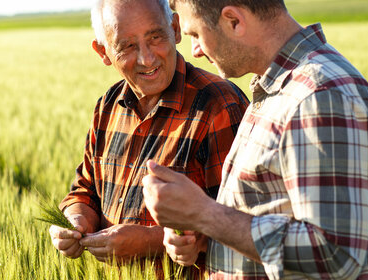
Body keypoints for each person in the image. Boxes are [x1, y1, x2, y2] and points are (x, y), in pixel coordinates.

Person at [142, 0, 368, 279]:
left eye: (195, 35)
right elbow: (272, 213)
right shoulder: (278, 88)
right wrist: (205, 234)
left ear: (233, 21)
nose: (195, 51)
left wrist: (206, 214)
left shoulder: (319, 95)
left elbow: (333, 254)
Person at [48, 0, 248, 271]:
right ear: (103, 52)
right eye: (127, 46)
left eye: (155, 37)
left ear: (175, 29)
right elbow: (84, 190)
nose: (147, 58)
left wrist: (150, 242)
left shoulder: (218, 106)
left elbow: (244, 227)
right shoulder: (108, 106)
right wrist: (76, 222)